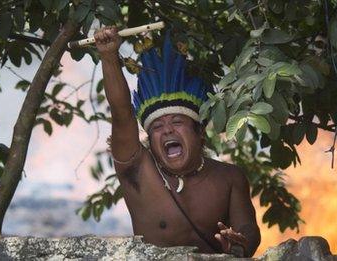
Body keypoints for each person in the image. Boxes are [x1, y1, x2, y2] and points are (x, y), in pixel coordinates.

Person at [94, 26, 261, 257]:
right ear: (149, 140)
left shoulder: (230, 177)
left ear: (200, 132)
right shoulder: (137, 170)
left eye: (176, 122)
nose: (167, 130)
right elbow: (122, 114)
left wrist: (239, 245)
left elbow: (248, 229)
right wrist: (109, 56)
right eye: (157, 127)